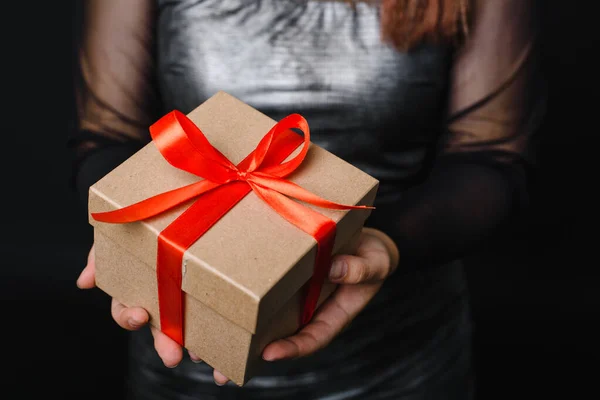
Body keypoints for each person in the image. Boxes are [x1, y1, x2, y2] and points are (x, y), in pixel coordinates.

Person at [70, 0, 545, 398]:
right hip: (184, 342)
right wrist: (124, 236)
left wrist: (382, 243)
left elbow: (490, 159)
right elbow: (106, 134)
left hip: (399, 356)